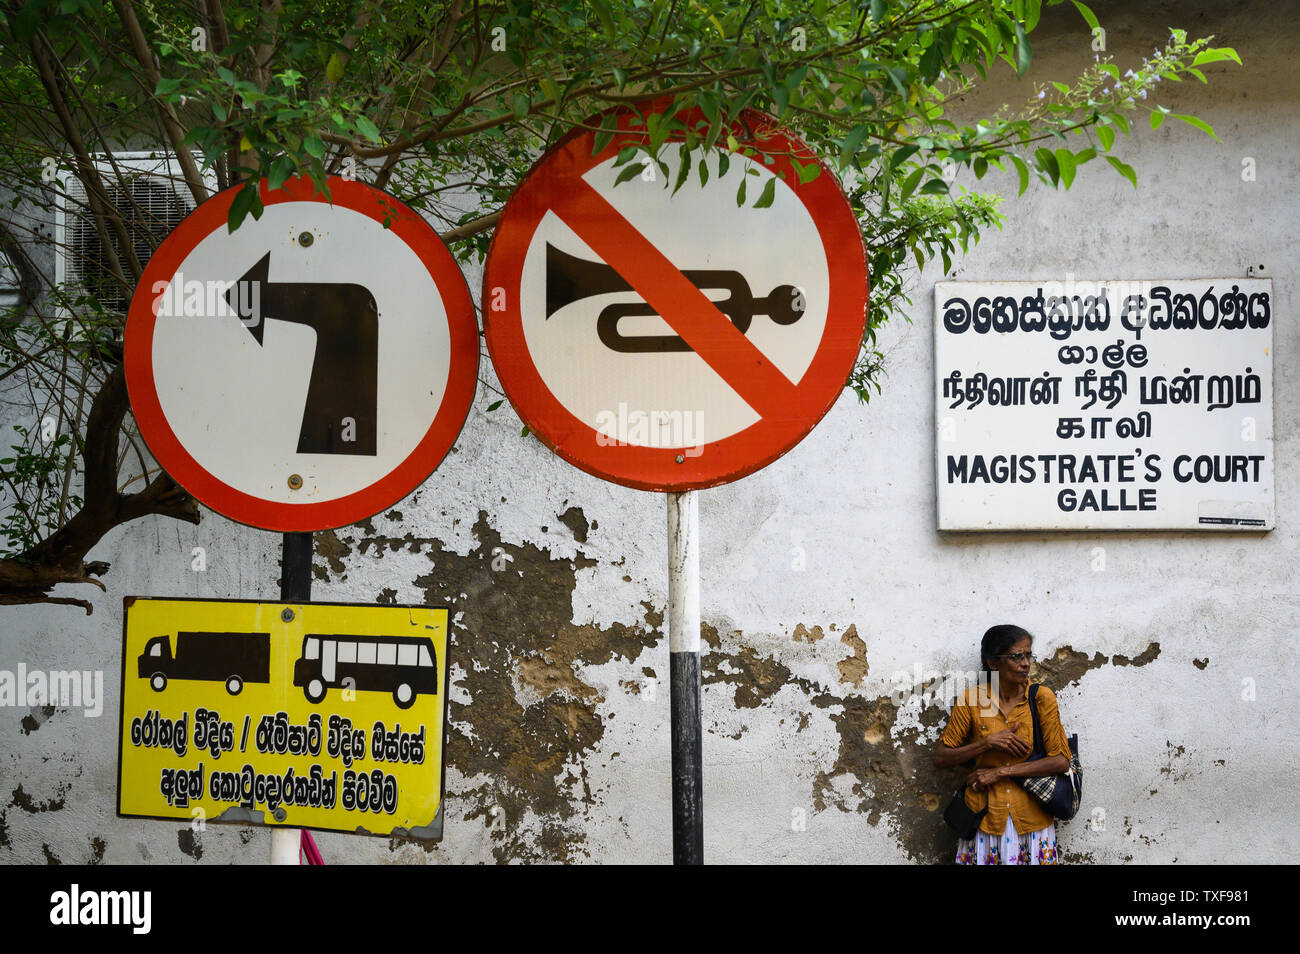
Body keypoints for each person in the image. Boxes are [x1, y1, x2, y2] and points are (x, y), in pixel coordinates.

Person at [933, 624, 1071, 865]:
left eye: (1028, 655)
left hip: (1032, 818)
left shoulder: (1041, 698)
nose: (1026, 663)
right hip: (985, 819)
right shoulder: (972, 700)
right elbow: (942, 758)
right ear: (993, 663)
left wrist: (1000, 772)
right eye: (1017, 656)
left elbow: (1060, 760)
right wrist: (987, 743)